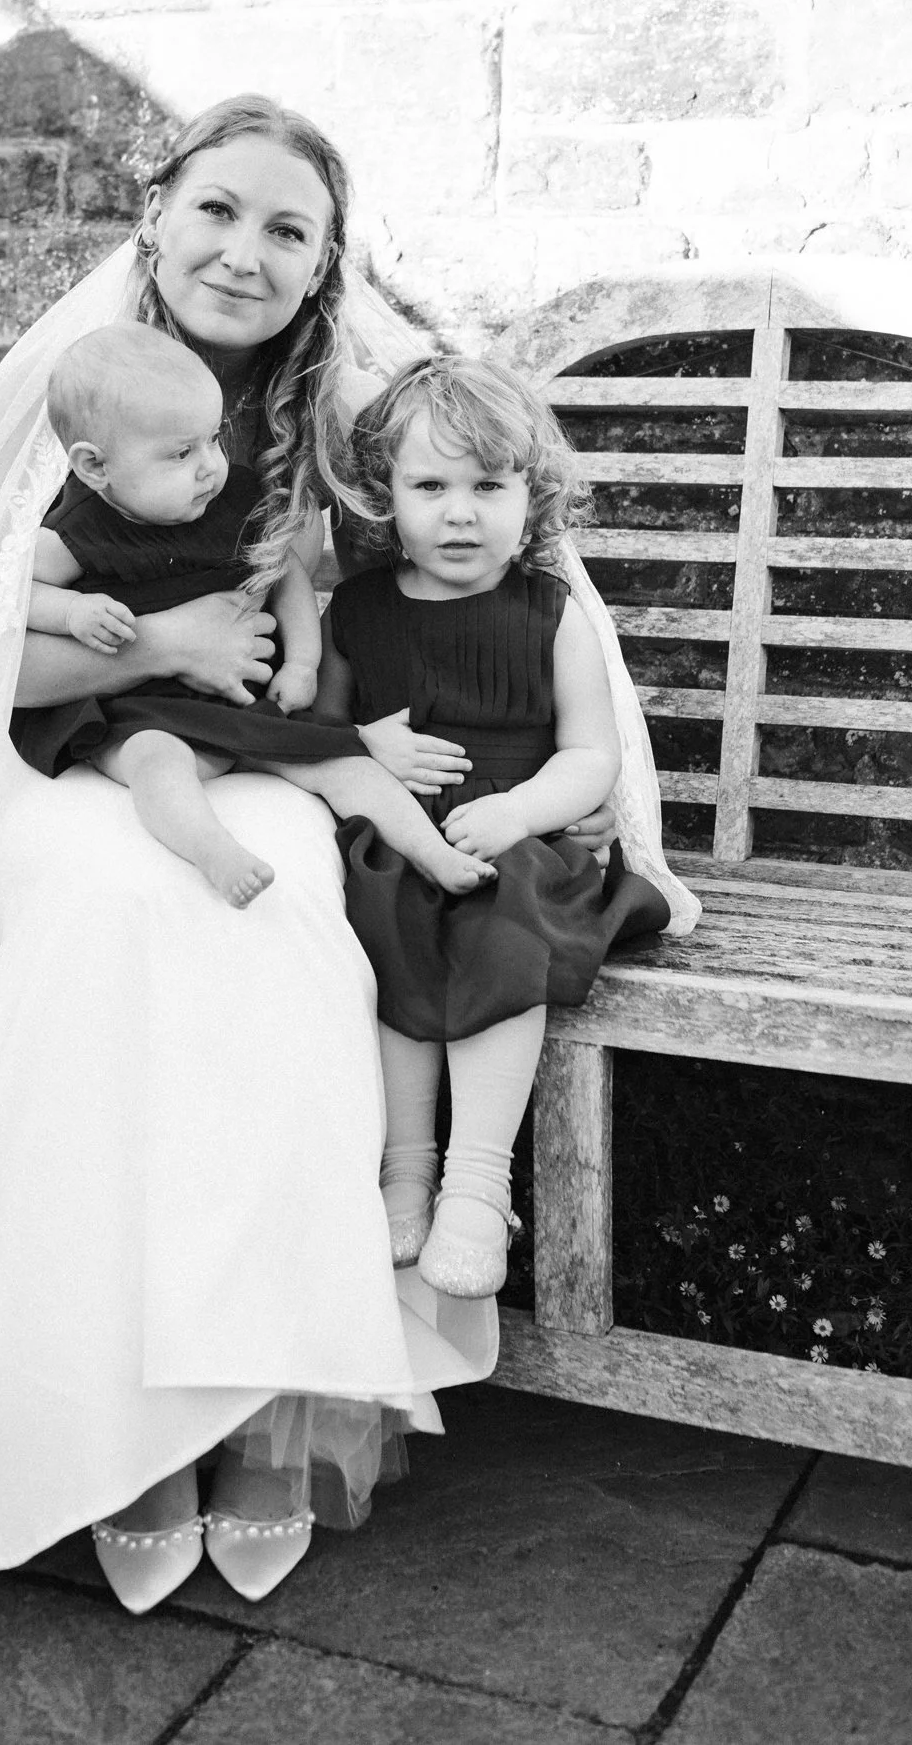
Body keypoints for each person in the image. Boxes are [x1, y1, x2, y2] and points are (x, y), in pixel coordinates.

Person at [0, 94, 699, 1618]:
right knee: (127, 906)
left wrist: (557, 795)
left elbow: (509, 589)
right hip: (52, 764)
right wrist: (181, 638)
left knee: (281, 918)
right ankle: (116, 1429)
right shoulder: (71, 385)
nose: (243, 253)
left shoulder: (358, 413)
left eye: (286, 231)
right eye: (217, 211)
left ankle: (257, 1407)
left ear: (326, 268)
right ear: (156, 214)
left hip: (265, 758)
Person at [321, 354, 672, 1303]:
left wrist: (520, 810)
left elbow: (589, 754)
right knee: (376, 910)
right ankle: (404, 1167)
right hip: (399, 836)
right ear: (384, 496)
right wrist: (366, 747)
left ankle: (477, 1180)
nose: (461, 512)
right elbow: (320, 735)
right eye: (429, 486)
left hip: (527, 845)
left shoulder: (549, 614)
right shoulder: (356, 612)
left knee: (499, 914)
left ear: (532, 493)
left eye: (489, 485)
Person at [17, 321, 495, 906]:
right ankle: (215, 852)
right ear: (95, 467)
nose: (208, 467)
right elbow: (18, 597)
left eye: (211, 441)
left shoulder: (231, 499)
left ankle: (435, 853)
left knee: (339, 761)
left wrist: (303, 662)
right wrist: (72, 611)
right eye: (179, 453)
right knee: (156, 762)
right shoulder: (75, 533)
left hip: (241, 699)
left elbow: (285, 575)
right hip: (137, 709)